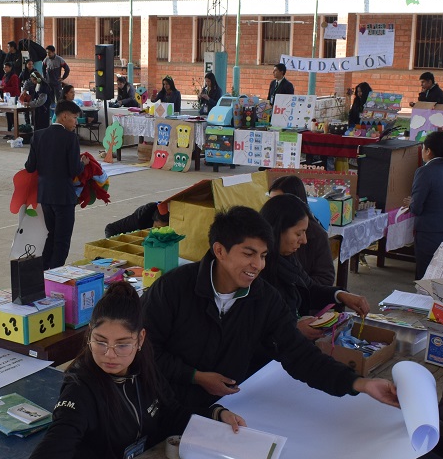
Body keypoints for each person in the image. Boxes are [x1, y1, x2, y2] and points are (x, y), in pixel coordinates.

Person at [0, 283, 245, 459]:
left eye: (122, 344)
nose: (110, 354)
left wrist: (215, 414)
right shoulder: (80, 386)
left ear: (140, 339)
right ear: (89, 334)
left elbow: (171, 412)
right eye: (100, 341)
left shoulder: (144, 365)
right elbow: (60, 439)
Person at [143, 207, 400, 423]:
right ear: (219, 251)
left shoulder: (264, 298)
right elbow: (143, 350)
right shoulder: (173, 288)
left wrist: (359, 384)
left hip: (230, 408)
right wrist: (195, 376)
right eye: (248, 254)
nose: (257, 265)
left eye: (263, 255)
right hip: (165, 407)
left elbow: (300, 355)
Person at [259, 194, 370, 329]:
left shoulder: (288, 259)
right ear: (277, 230)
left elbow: (309, 289)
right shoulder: (257, 270)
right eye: (298, 234)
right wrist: (294, 329)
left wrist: (341, 295)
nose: (304, 240)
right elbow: (258, 326)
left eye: (305, 233)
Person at [25, 100, 83, 268]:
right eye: (74, 118)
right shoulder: (70, 138)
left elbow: (30, 167)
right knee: (62, 240)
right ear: (64, 116)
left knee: (50, 235)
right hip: (63, 196)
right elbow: (74, 170)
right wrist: (83, 163)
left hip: (45, 195)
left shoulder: (38, 135)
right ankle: (55, 274)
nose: (76, 122)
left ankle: (43, 272)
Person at [406, 131, 443, 279]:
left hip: (429, 233)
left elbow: (417, 208)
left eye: (423, 148)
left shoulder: (424, 172)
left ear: (428, 151)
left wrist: (411, 203)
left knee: (425, 277)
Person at [267, 175, 335, 287]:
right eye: (270, 201)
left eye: (279, 201)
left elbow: (325, 278)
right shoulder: (263, 233)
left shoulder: (316, 235)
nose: (273, 207)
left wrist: (298, 290)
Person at [0, 60, 21, 138]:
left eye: (6, 67)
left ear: (10, 68)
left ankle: (14, 132)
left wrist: (4, 88)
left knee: (12, 115)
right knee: (8, 114)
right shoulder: (5, 76)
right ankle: (9, 131)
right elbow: (3, 84)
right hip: (7, 97)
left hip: (13, 97)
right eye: (4, 67)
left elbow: (15, 88)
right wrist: (0, 86)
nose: (5, 69)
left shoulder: (14, 76)